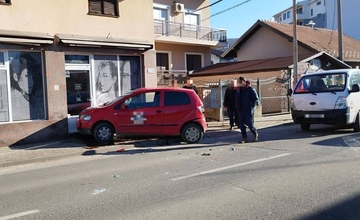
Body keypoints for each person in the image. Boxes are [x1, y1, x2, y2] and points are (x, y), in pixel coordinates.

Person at [10, 53, 44, 121]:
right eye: (27, 76)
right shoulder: (14, 101)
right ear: (15, 77)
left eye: (32, 76)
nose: (31, 81)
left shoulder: (36, 98)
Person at [235, 77, 259, 143]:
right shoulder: (238, 90)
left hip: (248, 109)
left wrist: (252, 106)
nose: (238, 83)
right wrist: (237, 107)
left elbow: (255, 98)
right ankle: (244, 137)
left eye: (239, 82)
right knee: (241, 124)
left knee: (249, 123)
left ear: (243, 81)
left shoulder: (250, 89)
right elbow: (237, 99)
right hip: (241, 109)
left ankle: (255, 133)